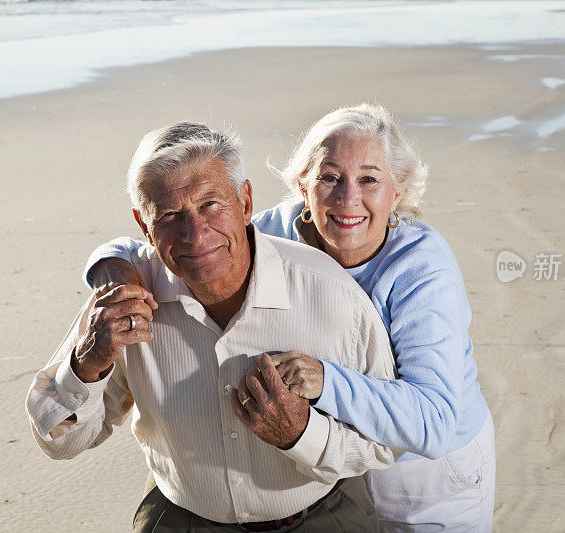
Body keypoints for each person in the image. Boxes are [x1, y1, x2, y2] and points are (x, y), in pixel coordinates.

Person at [87, 104, 495, 532]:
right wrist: (112, 271)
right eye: (329, 177)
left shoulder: (420, 266)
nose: (346, 198)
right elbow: (166, 237)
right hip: (333, 467)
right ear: (303, 185)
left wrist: (325, 381)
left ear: (398, 189)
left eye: (369, 179)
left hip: (429, 475)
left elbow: (434, 423)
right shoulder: (274, 234)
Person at [25, 121, 403, 532]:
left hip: (323, 518)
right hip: (181, 519)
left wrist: (301, 434)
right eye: (170, 215)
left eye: (210, 205)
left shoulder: (332, 294)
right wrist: (87, 364)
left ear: (245, 202)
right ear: (143, 224)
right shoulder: (123, 299)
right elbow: (60, 440)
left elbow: (386, 443)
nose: (196, 234)